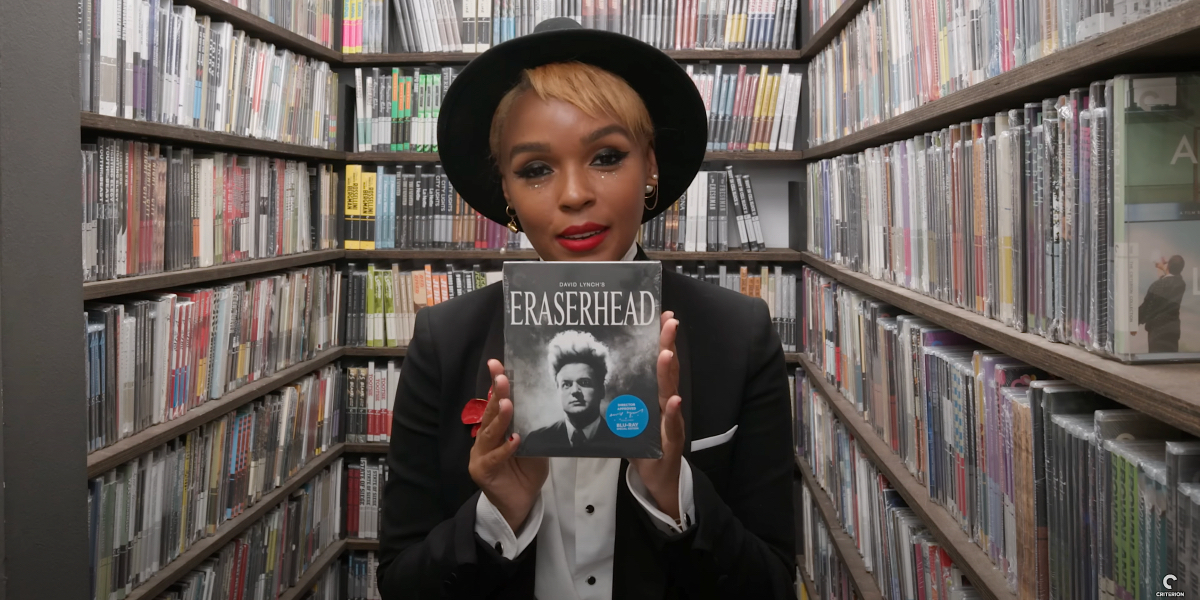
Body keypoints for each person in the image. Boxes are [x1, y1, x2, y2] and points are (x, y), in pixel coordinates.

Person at [378, 17, 795, 600]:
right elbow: (400, 582)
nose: (574, 194)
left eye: (605, 156)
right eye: (536, 169)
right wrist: (499, 516)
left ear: (650, 167)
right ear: (507, 192)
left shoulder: (738, 333)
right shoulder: (445, 339)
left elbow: (773, 583)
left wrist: (674, 496)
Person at [523, 330, 629, 457]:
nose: (575, 391)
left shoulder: (624, 443)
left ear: (602, 390)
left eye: (584, 382)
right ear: (558, 390)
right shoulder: (536, 442)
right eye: (566, 384)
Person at [1138, 254, 1187, 353]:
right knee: (1170, 362)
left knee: (1157, 364)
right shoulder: (1181, 284)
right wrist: (1164, 268)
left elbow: (1145, 308)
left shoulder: (1156, 286)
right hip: (1172, 331)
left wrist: (1131, 322)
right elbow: (1169, 281)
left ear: (1168, 266)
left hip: (1157, 332)